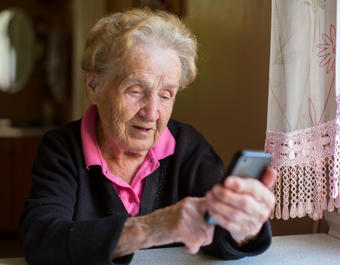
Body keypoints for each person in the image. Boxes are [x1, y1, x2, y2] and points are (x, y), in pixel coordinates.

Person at [20, 8, 276, 265]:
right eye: (135, 90)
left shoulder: (188, 147)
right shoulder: (62, 149)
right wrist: (152, 228)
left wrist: (242, 226)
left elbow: (218, 235)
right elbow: (42, 242)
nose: (152, 113)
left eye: (166, 95)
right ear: (94, 86)